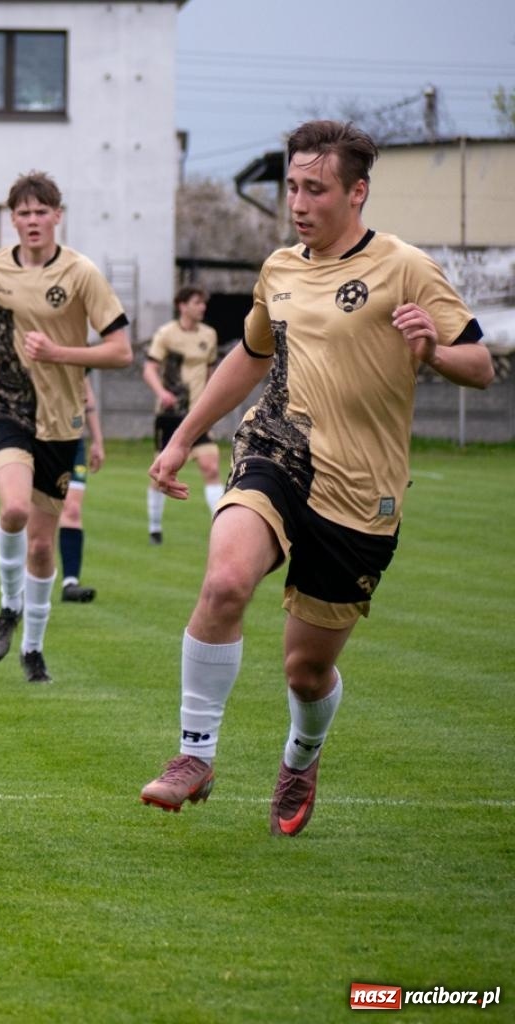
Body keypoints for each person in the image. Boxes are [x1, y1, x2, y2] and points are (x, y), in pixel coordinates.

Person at [139, 121, 494, 837]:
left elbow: (481, 365)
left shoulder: (405, 267)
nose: (297, 202)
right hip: (279, 447)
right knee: (226, 579)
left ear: (356, 192)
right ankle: (193, 756)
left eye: (315, 189)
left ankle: (302, 753)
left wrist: (432, 350)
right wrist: (183, 438)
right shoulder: (280, 268)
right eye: (292, 187)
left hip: (362, 490)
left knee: (305, 671)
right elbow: (248, 357)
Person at [0, 172, 132, 682]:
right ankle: (9, 605)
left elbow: (121, 351)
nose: (33, 221)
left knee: (40, 543)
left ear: (58, 215)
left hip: (62, 418)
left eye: (42, 211)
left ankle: (32, 649)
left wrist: (60, 353)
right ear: (13, 219)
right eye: (23, 213)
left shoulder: (81, 274)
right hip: (5, 405)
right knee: (13, 508)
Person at [143, 286, 223, 543]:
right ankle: (155, 527)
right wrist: (162, 392)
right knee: (161, 475)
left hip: (198, 414)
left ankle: (221, 527)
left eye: (203, 303)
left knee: (211, 466)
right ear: (182, 305)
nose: (202, 307)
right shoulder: (166, 334)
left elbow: (211, 373)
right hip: (170, 415)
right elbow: (149, 368)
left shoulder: (209, 335)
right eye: (197, 302)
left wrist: (214, 404)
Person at [58, 375, 103, 603]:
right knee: (35, 514)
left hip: (73, 441)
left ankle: (70, 583)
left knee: (72, 510)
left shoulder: (78, 346)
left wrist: (97, 440)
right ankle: (22, 585)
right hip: (37, 438)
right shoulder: (32, 342)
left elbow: (87, 396)